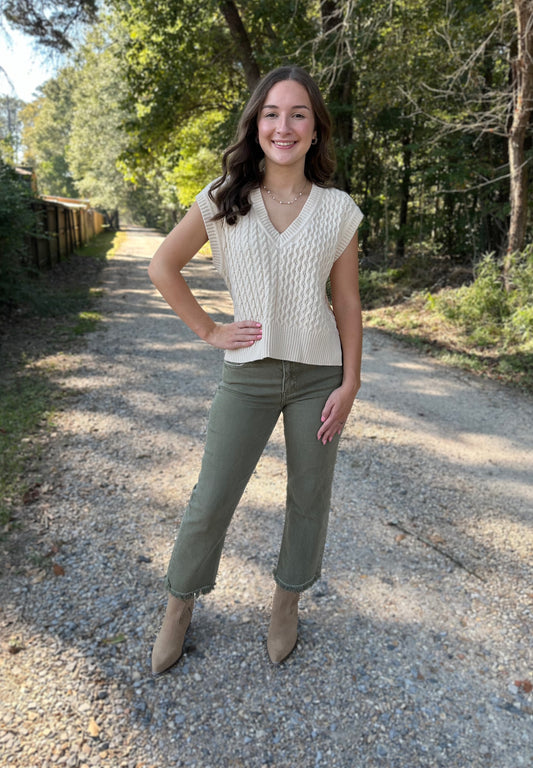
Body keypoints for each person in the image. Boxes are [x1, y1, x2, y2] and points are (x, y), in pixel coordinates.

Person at [148, 65, 364, 674]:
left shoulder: (337, 210)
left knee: (308, 499)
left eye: (298, 114)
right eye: (272, 113)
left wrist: (351, 382)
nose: (284, 126)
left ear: (316, 129)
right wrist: (211, 330)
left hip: (319, 376)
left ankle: (286, 604)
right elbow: (163, 266)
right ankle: (179, 605)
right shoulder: (223, 199)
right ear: (257, 123)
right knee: (211, 497)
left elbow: (346, 301)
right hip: (247, 373)